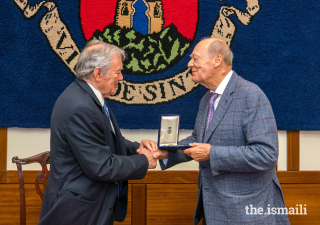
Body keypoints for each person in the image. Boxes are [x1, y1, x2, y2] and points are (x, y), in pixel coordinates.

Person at [152, 38, 290, 224]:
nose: (189, 64)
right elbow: (198, 139)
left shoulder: (251, 95)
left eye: (195, 58)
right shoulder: (206, 99)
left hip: (247, 213)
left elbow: (266, 154)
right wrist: (166, 152)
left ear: (217, 60)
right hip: (214, 209)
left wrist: (212, 153)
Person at [39, 40, 158, 225]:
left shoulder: (85, 97)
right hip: (77, 212)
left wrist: (137, 148)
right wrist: (143, 160)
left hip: (87, 207)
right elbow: (101, 167)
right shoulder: (81, 106)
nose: (122, 78)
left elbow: (102, 140)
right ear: (98, 73)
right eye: (118, 71)